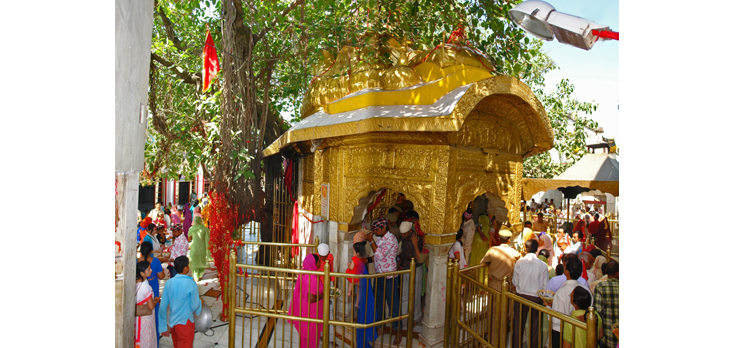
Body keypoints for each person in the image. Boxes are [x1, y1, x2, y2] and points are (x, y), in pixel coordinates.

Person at [364, 218, 402, 345]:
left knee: (393, 306)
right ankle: (379, 327)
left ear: (384, 228)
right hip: (380, 275)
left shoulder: (391, 239)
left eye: (376, 229)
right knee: (378, 302)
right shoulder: (379, 238)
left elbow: (379, 254)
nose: (374, 232)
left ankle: (398, 332)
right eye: (373, 230)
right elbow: (377, 256)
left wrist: (370, 241)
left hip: (390, 277)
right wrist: (367, 260)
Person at [512, 239, 549, 348]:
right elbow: (545, 286)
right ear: (537, 249)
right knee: (535, 327)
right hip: (536, 298)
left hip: (521, 296)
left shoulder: (519, 262)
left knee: (518, 325)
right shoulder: (542, 265)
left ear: (525, 248)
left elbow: (514, 282)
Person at [159, 256, 203, 348]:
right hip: (185, 323)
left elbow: (162, 307)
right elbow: (194, 306)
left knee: (177, 345)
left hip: (173, 323)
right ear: (185, 268)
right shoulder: (191, 284)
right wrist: (200, 302)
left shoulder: (169, 283)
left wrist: (163, 325)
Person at [549, 256, 591, 348]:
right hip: (584, 332)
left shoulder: (562, 292)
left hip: (561, 333)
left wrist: (548, 307)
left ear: (566, 272)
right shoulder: (586, 290)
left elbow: (556, 320)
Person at [287, 253, 326, 348]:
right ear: (313, 263)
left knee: (304, 339)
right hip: (311, 312)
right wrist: (323, 295)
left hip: (303, 309)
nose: (320, 264)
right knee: (311, 338)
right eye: (318, 262)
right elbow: (311, 298)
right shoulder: (313, 278)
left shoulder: (304, 272)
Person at [350, 242, 379, 348]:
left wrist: (352, 281)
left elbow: (362, 283)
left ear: (357, 253)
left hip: (364, 299)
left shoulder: (359, 265)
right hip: (363, 297)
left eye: (353, 250)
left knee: (363, 323)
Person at [138, 242, 165, 344]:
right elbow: (161, 276)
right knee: (154, 314)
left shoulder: (136, 262)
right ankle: (154, 341)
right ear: (150, 251)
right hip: (153, 288)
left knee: (141, 314)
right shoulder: (155, 261)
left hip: (140, 292)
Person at [398, 221, 423, 327]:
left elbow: (419, 259)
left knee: (416, 295)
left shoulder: (418, 239)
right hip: (405, 270)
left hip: (415, 270)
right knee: (404, 295)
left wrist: (415, 244)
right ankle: (404, 317)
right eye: (402, 234)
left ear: (410, 231)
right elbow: (401, 253)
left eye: (404, 234)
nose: (403, 236)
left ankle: (415, 317)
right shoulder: (403, 238)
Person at [594, 261, 619, 348]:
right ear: (618, 273)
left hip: (606, 336)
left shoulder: (600, 287)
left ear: (605, 270)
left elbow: (597, 312)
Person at [135, 260, 158, 348]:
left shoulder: (134, 283)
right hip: (145, 319)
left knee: (138, 339)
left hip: (136, 318)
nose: (151, 270)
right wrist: (156, 301)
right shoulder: (145, 287)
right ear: (142, 273)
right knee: (147, 340)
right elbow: (151, 306)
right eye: (148, 269)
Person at [187, 216, 209, 281]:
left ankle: (195, 276)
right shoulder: (205, 229)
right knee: (201, 261)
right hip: (202, 248)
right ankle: (200, 275)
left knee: (194, 262)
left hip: (194, 247)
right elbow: (208, 239)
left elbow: (189, 239)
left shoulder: (191, 229)